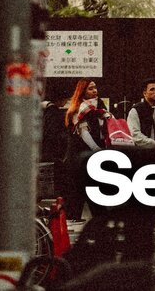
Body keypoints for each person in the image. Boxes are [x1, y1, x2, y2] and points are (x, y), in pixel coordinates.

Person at [62, 79, 107, 221]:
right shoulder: (79, 108)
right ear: (82, 92)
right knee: (82, 186)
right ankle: (75, 217)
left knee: (93, 185)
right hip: (80, 154)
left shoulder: (99, 106)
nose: (95, 91)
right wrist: (97, 149)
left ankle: (99, 217)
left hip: (93, 154)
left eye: (95, 88)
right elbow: (84, 132)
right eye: (90, 89)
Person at [127, 79, 155, 150]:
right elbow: (134, 134)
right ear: (145, 93)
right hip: (140, 151)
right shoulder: (136, 110)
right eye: (152, 89)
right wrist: (153, 143)